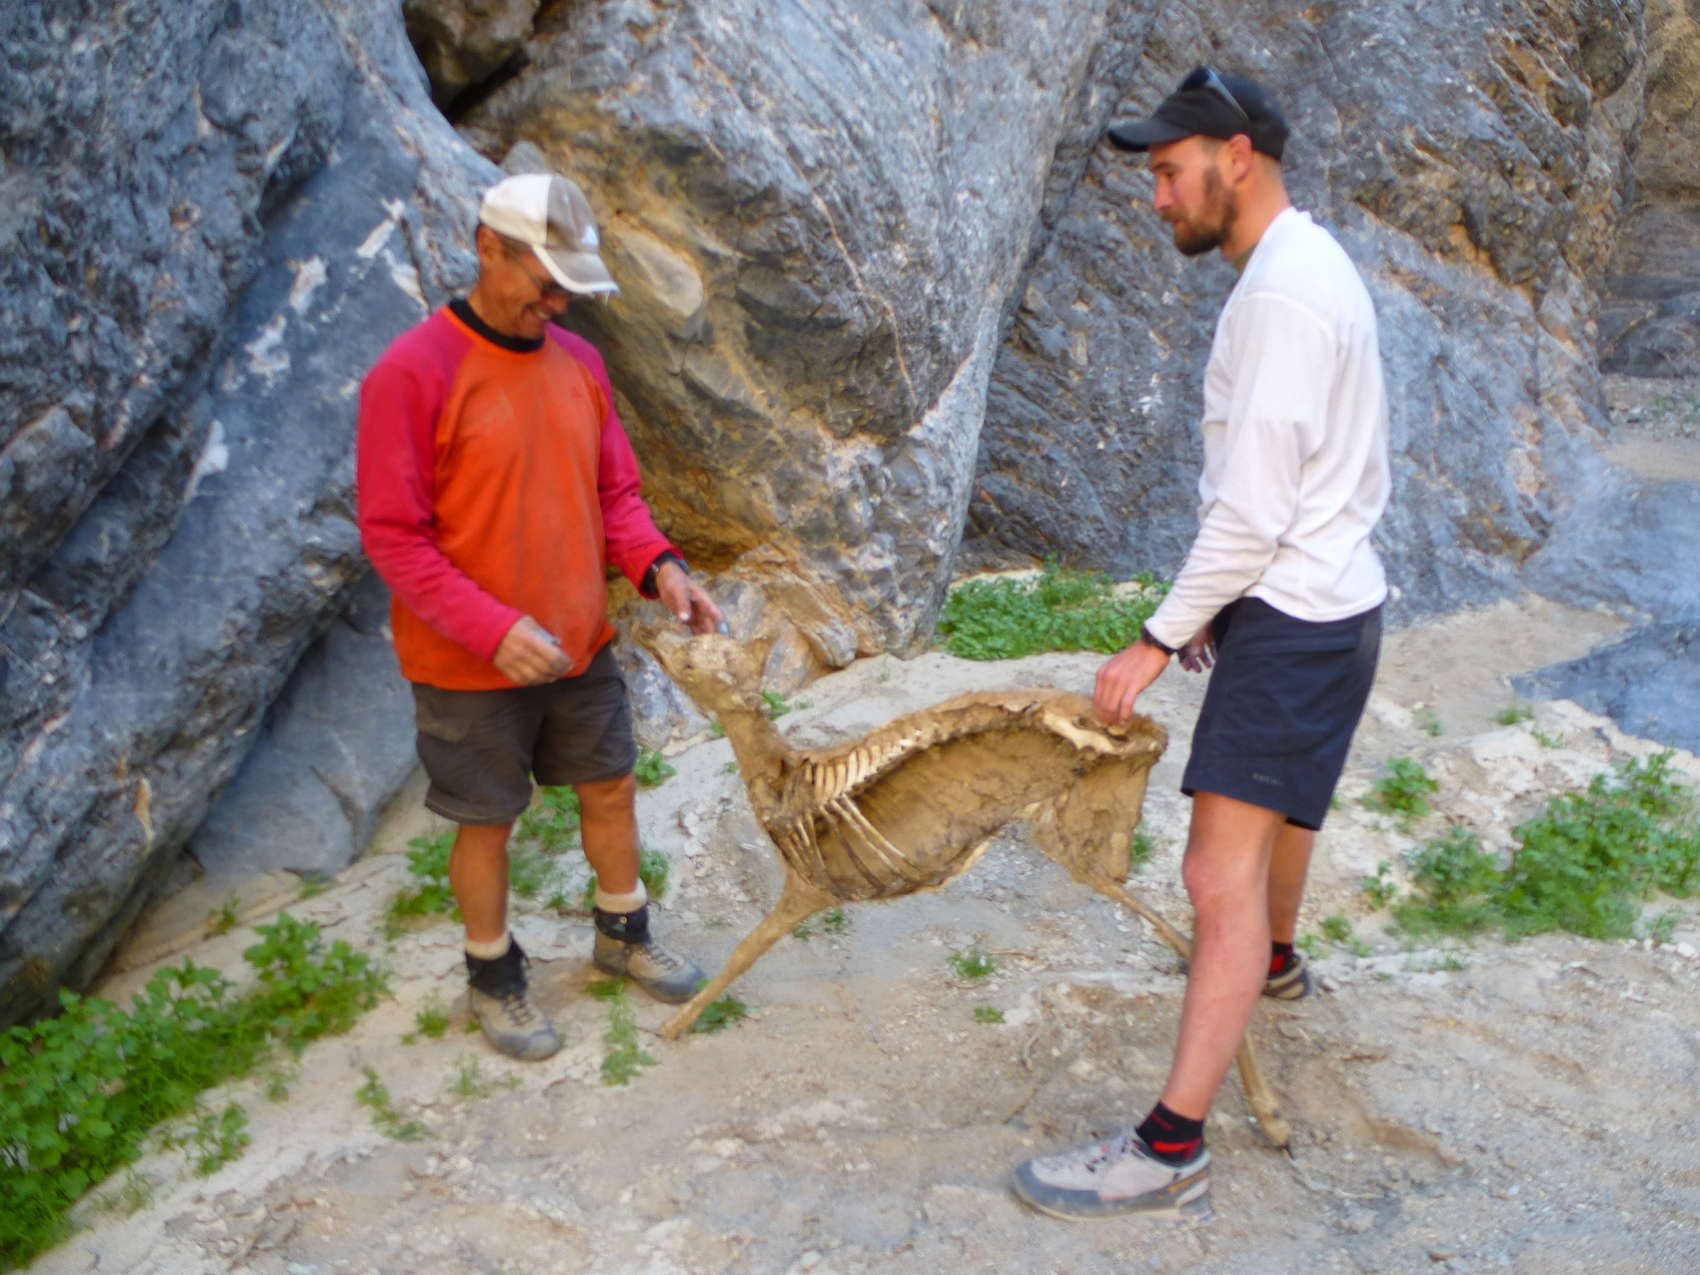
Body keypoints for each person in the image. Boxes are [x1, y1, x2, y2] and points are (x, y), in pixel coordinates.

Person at [1012, 67, 1390, 1221]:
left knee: (1212, 877)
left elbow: (1248, 516)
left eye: (1170, 172)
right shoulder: (1308, 263)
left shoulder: (1277, 297)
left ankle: (1169, 1148)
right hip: (1337, 604)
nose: (1157, 197)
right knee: (1281, 820)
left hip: (1293, 620)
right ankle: (1271, 963)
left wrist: (1152, 638)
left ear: (1235, 156)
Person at [356, 170, 724, 1061]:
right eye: (545, 282)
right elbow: (393, 536)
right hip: (467, 663)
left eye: (569, 287)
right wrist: (493, 628)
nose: (558, 303)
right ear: (489, 247)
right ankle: (493, 974)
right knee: (487, 821)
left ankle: (623, 931)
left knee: (610, 785)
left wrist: (660, 566)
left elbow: (615, 494)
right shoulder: (412, 372)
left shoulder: (580, 365)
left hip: (578, 643)